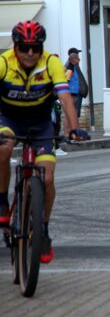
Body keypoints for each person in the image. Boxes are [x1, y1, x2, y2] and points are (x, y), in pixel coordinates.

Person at [0, 21, 89, 263]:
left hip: (39, 124)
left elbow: (65, 97)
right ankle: (2, 201)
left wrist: (74, 128)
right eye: (25, 48)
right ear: (15, 46)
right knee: (4, 147)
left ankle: (43, 230)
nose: (30, 53)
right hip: (8, 118)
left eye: (36, 48)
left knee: (47, 178)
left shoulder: (50, 63)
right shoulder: (3, 63)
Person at [64, 47, 89, 125]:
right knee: (72, 114)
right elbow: (66, 80)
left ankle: (75, 130)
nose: (79, 58)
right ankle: (71, 131)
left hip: (77, 92)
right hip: (73, 93)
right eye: (77, 56)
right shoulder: (69, 66)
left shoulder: (75, 66)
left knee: (75, 114)